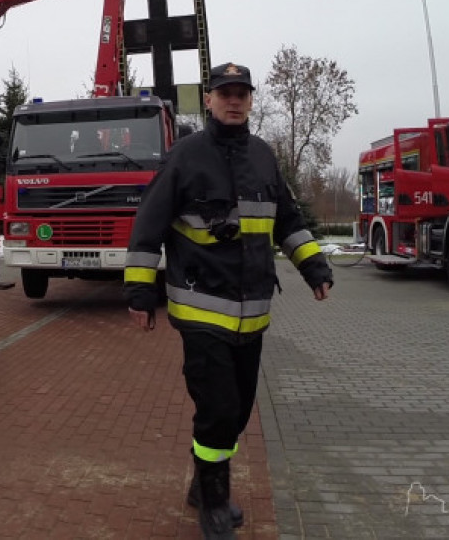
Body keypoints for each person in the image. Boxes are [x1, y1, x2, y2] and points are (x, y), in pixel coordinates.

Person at [123, 61, 333, 539]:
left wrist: (314, 268)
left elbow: (288, 220)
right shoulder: (184, 157)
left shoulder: (264, 157)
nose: (234, 100)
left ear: (251, 100)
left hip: (253, 316)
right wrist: (138, 290)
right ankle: (215, 502)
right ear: (210, 100)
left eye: (242, 93)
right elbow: (148, 227)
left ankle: (202, 483)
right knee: (217, 409)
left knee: (237, 412)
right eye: (225, 93)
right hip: (201, 310)